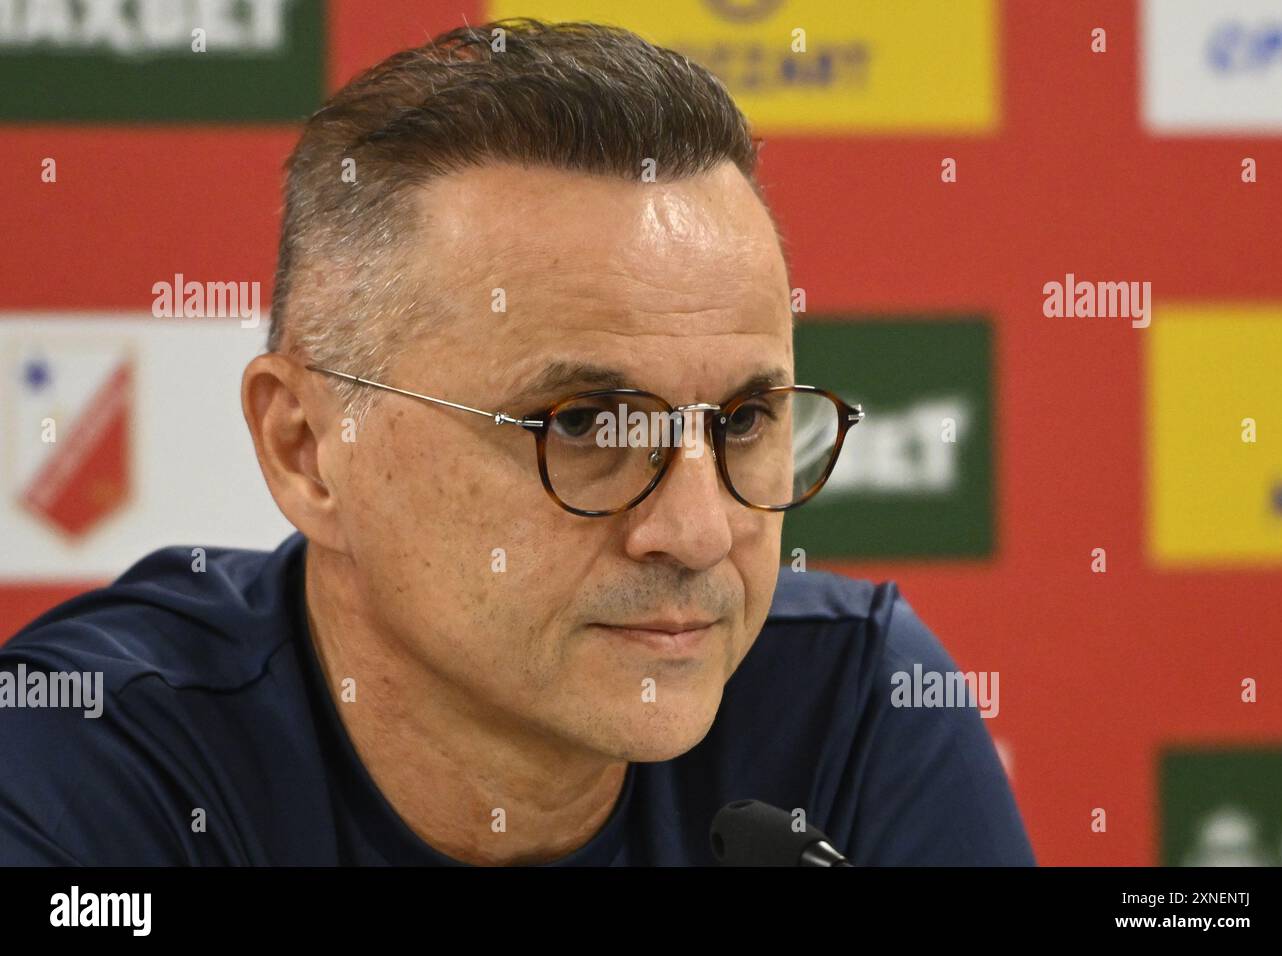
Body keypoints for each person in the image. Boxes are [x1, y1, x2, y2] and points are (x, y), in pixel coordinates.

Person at [0, 18, 1033, 866]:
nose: (698, 530)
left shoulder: (853, 706)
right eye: (585, 424)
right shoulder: (84, 761)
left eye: (744, 421)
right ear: (306, 447)